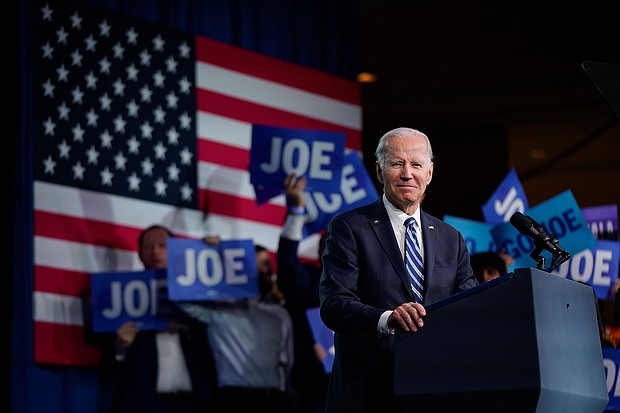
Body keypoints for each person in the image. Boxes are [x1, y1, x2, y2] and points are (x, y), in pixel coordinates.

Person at [319, 127, 478, 413]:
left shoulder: (450, 238)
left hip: (434, 389)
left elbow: (470, 307)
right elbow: (335, 304)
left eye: (416, 164)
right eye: (396, 163)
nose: (407, 173)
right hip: (368, 392)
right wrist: (387, 319)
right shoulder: (349, 227)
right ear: (380, 171)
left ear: (429, 174)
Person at [99, 224, 218, 413]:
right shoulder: (121, 298)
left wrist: (213, 251)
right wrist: (120, 347)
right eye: (148, 247)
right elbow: (107, 367)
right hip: (144, 405)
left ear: (175, 252)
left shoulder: (198, 295)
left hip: (192, 404)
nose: (155, 251)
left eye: (162, 246)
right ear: (139, 254)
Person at [179, 237, 294, 413]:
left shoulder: (280, 314)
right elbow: (182, 299)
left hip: (274, 399)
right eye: (256, 264)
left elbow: (289, 362)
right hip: (234, 400)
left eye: (266, 263)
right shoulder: (220, 309)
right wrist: (202, 251)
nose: (264, 269)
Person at [276, 173, 331, 413]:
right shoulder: (308, 280)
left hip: (358, 389)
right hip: (314, 391)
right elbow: (287, 264)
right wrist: (297, 211)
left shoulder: (371, 286)